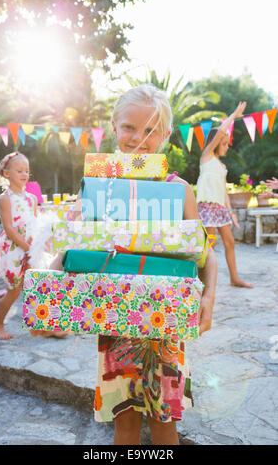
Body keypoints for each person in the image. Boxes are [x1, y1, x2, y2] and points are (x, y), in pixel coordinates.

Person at [51, 84, 217, 445]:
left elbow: (206, 254)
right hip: (115, 320)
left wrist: (208, 299)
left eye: (150, 130)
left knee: (164, 424)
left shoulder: (178, 190)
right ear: (113, 127)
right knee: (123, 423)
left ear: (166, 135)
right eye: (129, 127)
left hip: (165, 324)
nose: (139, 138)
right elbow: (69, 246)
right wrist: (45, 293)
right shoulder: (96, 188)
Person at [0, 151, 66, 340]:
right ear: (6, 174)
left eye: (26, 171)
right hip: (12, 250)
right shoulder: (5, 199)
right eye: (19, 170)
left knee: (37, 286)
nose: (24, 174)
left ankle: (45, 326)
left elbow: (35, 224)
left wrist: (39, 244)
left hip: (30, 248)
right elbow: (9, 229)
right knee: (13, 291)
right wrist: (27, 247)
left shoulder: (31, 198)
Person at [196, 102, 253, 289]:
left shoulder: (221, 166)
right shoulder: (206, 157)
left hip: (220, 209)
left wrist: (231, 213)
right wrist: (234, 114)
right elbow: (220, 131)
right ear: (215, 143)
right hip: (207, 208)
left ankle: (234, 278)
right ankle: (203, 283)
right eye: (224, 143)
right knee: (209, 248)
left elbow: (224, 192)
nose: (227, 147)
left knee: (230, 242)